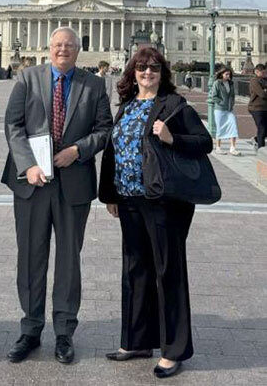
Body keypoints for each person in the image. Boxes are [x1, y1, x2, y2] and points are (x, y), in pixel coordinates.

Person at [99, 47, 212, 380]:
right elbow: (114, 152)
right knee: (135, 271)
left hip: (164, 201)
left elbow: (203, 142)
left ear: (162, 74)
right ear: (132, 73)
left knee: (167, 271)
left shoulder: (174, 106)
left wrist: (171, 137)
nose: (147, 73)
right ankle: (136, 340)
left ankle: (174, 349)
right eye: (141, 67)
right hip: (130, 199)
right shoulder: (128, 107)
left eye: (153, 68)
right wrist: (111, 194)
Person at [2, 27, 112, 365]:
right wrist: (29, 165)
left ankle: (64, 332)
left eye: (69, 45)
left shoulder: (93, 84)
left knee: (68, 260)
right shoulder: (27, 77)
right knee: (31, 258)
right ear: (49, 48)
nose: (63, 50)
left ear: (80, 50)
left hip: (73, 182)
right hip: (33, 182)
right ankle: (31, 329)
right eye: (58, 45)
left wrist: (78, 150)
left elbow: (105, 129)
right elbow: (13, 126)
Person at [211, 67, 240, 155]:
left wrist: (232, 103)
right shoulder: (217, 83)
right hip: (219, 109)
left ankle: (232, 148)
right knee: (220, 127)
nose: (228, 76)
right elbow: (214, 96)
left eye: (229, 74)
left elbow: (233, 95)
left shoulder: (231, 83)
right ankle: (218, 147)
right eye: (226, 74)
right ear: (222, 74)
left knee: (233, 126)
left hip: (229, 109)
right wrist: (221, 102)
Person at [248, 63, 267, 150]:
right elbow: (262, 94)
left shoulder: (264, 80)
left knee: (264, 129)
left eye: (265, 72)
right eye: (262, 73)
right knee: (262, 128)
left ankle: (256, 139)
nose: (264, 74)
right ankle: (261, 149)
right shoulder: (254, 81)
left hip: (265, 108)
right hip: (256, 108)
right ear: (256, 72)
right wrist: (264, 91)